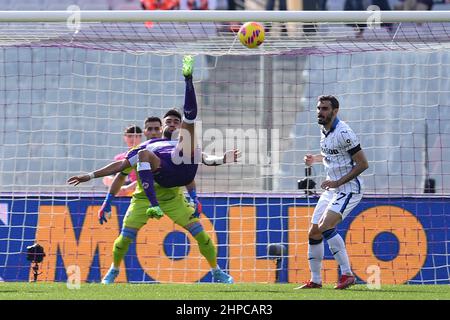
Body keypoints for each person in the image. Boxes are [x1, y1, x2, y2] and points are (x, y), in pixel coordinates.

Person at [68, 56, 238, 284]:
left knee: (202, 236)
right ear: (145, 131)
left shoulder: (173, 143)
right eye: (151, 128)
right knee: (123, 240)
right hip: (143, 198)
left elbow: (198, 163)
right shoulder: (141, 149)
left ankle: (217, 271)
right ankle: (114, 269)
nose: (155, 130)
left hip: (172, 196)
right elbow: (119, 171)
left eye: (159, 126)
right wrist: (98, 190)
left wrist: (220, 162)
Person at [296, 95, 369, 290]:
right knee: (314, 232)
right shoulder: (324, 129)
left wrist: (337, 181)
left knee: (325, 226)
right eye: (319, 108)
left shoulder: (344, 133)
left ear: (335, 111)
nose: (320, 112)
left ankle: (347, 274)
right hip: (333, 189)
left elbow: (363, 163)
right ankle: (316, 280)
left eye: (325, 109)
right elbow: (333, 154)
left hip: (349, 188)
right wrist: (315, 159)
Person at [102, 125, 143, 196]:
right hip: (122, 191)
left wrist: (127, 188)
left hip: (139, 191)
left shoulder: (144, 155)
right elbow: (113, 177)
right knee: (107, 178)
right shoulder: (119, 158)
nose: (132, 139)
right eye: (129, 136)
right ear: (125, 138)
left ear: (140, 137)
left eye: (136, 136)